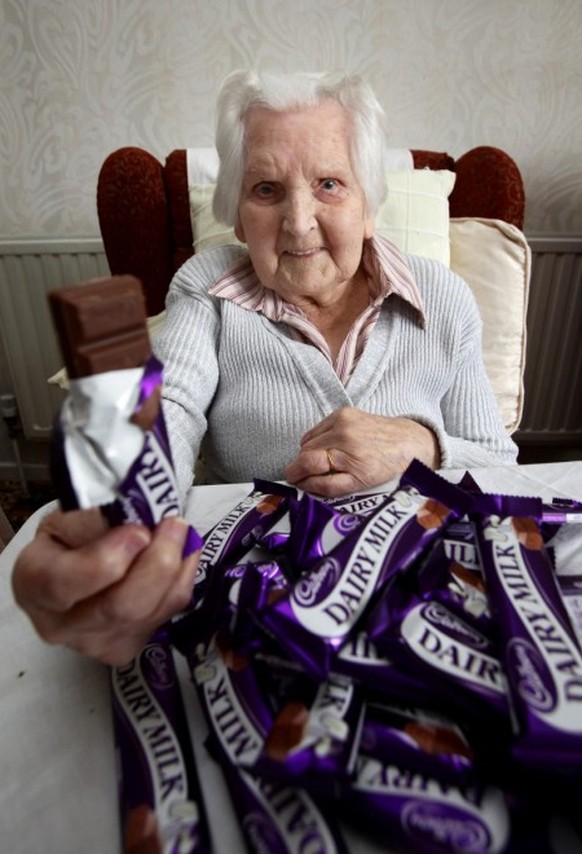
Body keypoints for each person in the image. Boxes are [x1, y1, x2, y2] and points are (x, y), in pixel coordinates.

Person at [12, 69, 518, 665]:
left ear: (370, 206)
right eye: (267, 190)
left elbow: (499, 466)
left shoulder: (446, 300)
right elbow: (169, 403)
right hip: (256, 604)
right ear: (236, 214)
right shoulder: (207, 289)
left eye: (330, 184)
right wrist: (123, 517)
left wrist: (423, 447)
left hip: (416, 591)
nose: (299, 221)